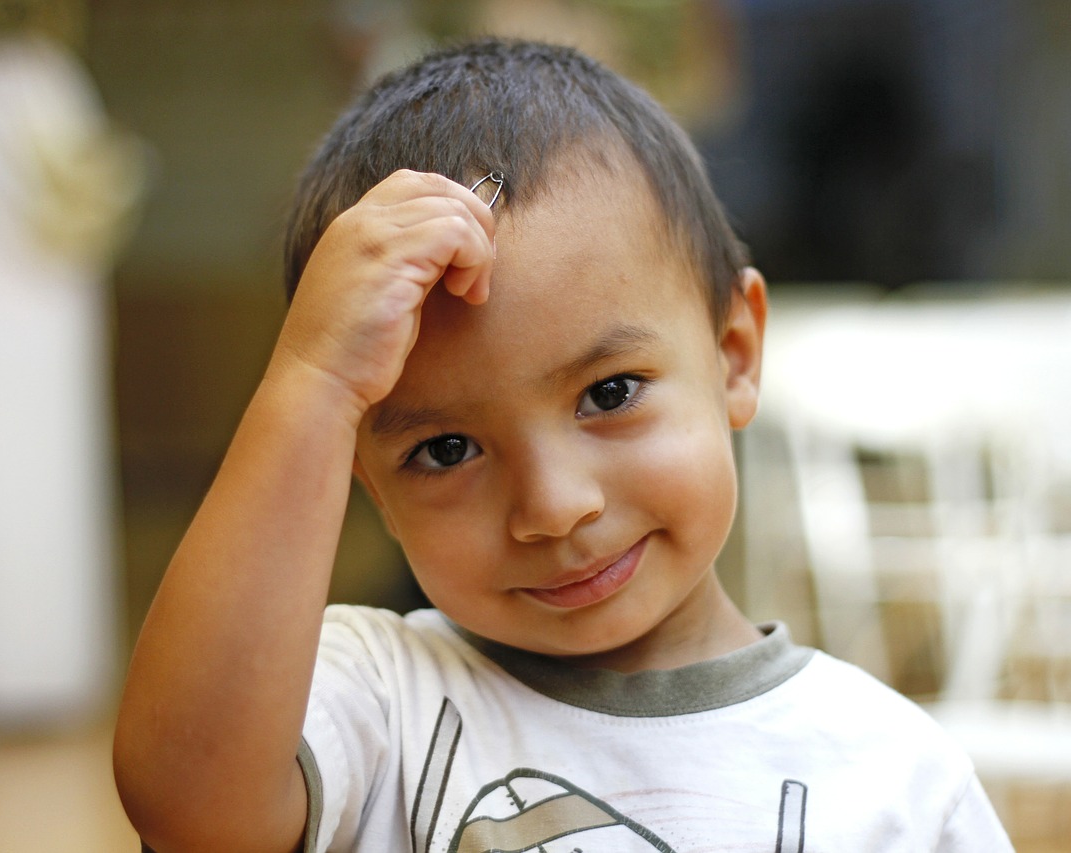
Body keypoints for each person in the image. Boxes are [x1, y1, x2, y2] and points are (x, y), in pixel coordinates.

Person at [113, 38, 1012, 852]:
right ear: (365, 485)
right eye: (447, 449)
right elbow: (188, 806)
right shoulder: (381, 698)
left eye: (608, 394)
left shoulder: (895, 779)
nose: (552, 505)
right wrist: (312, 387)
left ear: (734, 354)